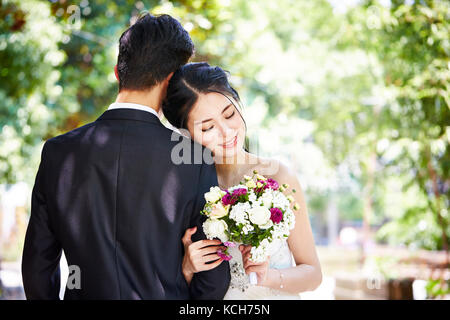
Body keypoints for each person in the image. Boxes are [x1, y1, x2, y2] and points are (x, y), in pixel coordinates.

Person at [21, 14, 230, 300]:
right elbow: (214, 275)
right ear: (172, 83)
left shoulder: (58, 152)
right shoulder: (195, 159)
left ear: (118, 73)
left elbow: (37, 267)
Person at [163, 62, 322, 299]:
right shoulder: (184, 190)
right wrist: (188, 267)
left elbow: (313, 274)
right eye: (208, 128)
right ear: (186, 135)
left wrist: (268, 278)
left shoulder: (278, 176)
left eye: (229, 114)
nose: (227, 132)